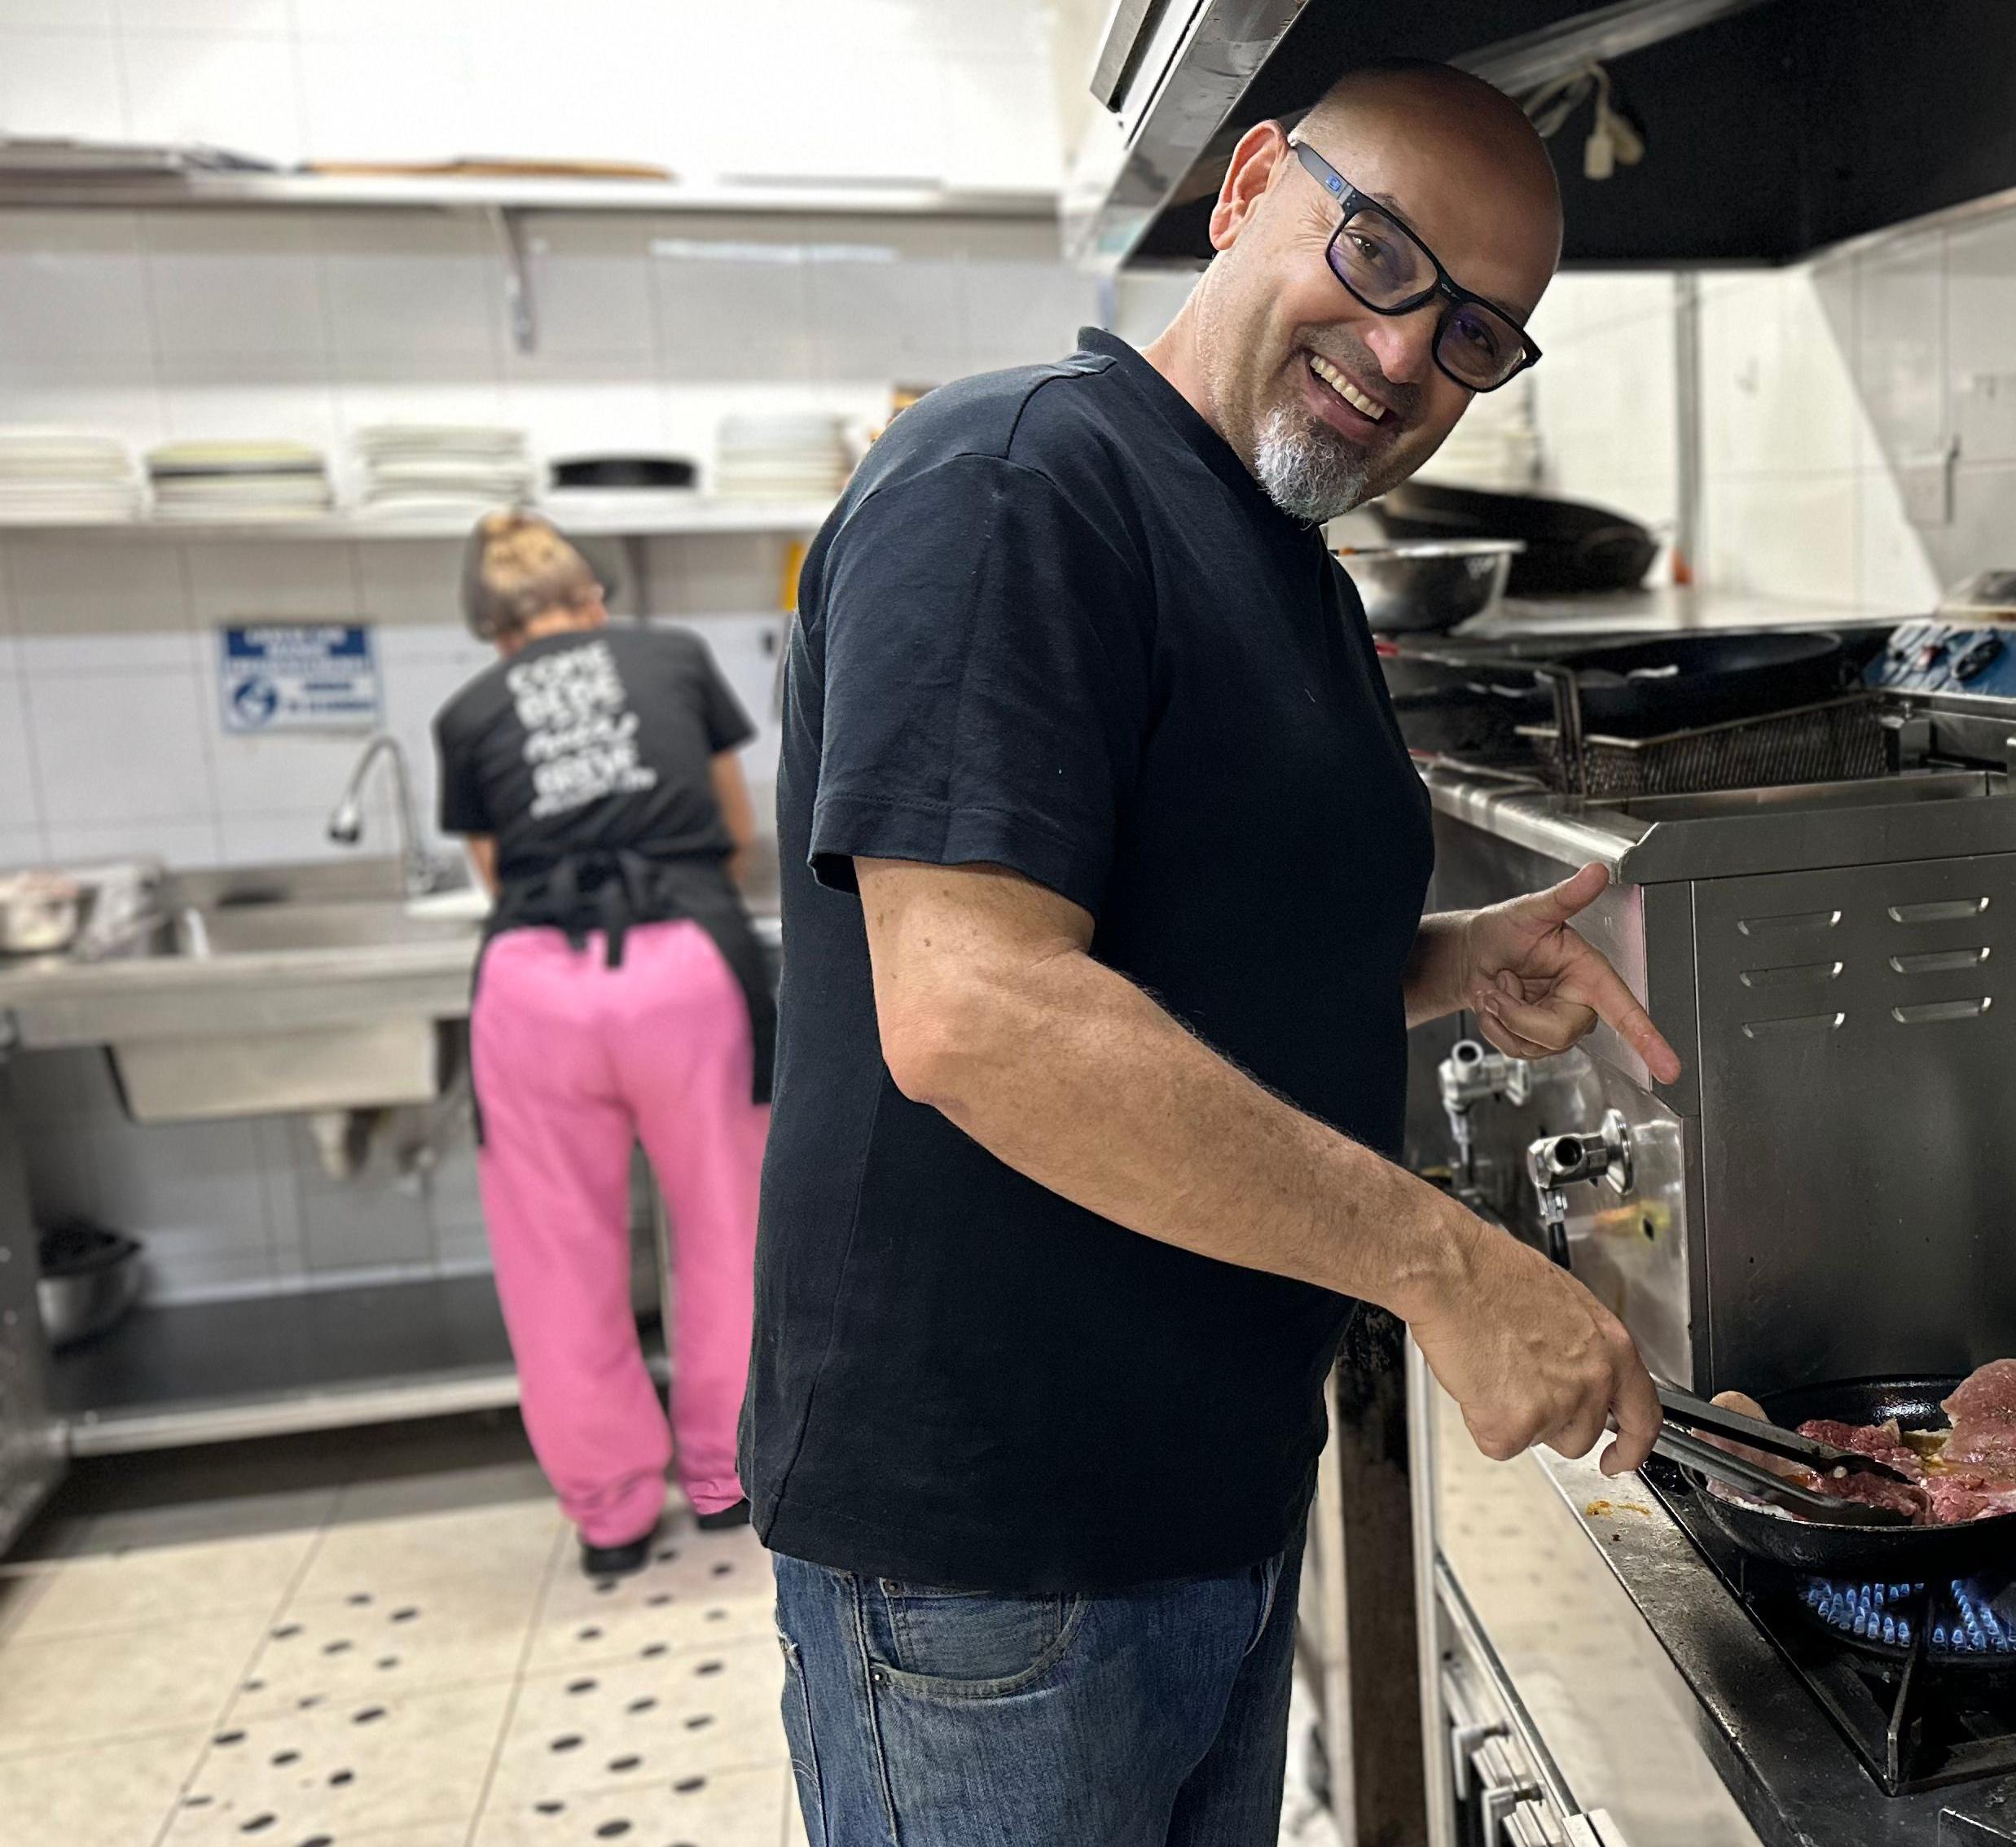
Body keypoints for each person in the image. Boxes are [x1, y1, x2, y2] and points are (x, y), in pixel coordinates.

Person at [744, 59, 1671, 1847]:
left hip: (1203, 1494)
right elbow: (976, 1010)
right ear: (1249, 185)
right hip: (998, 1558)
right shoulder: (1020, 487)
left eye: (1478, 334)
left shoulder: (1281, 556)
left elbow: (1172, 928)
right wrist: (1450, 1273)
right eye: (1384, 256)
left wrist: (1439, 958)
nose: (1409, 356)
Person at [434, 510, 776, 1577]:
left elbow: (497, 872)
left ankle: (614, 1516)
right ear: (595, 599)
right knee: (730, 1228)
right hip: (686, 975)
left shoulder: (468, 711)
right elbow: (730, 830)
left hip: (535, 993)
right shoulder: (671, 656)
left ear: (492, 631)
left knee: (557, 1259)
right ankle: (728, 1480)